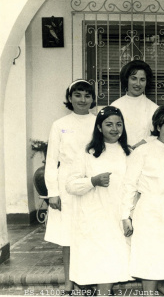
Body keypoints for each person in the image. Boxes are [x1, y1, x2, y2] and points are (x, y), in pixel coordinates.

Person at [121, 104, 164, 296]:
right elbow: (129, 185)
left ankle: (158, 286)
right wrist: (125, 215)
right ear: (159, 126)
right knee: (149, 254)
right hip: (150, 210)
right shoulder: (142, 151)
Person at [66, 106, 132, 295]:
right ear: (99, 128)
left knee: (115, 258)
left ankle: (103, 292)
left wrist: (127, 215)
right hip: (94, 214)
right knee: (98, 259)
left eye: (119, 124)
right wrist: (92, 181)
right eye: (109, 124)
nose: (114, 129)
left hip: (118, 214)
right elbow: (70, 185)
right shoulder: (87, 153)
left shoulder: (128, 152)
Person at [44, 79, 97, 293]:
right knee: (68, 236)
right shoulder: (59, 125)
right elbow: (51, 161)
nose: (82, 100)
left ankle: (90, 278)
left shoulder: (97, 122)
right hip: (66, 185)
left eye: (87, 95)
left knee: (91, 233)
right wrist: (53, 193)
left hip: (91, 183)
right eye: (78, 95)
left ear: (93, 99)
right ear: (70, 98)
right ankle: (68, 280)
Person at [111, 60, 159, 150]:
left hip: (145, 154)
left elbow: (157, 135)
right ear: (127, 79)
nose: (138, 84)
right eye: (133, 78)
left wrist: (138, 146)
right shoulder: (115, 106)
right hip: (119, 153)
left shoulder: (154, 108)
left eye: (142, 79)